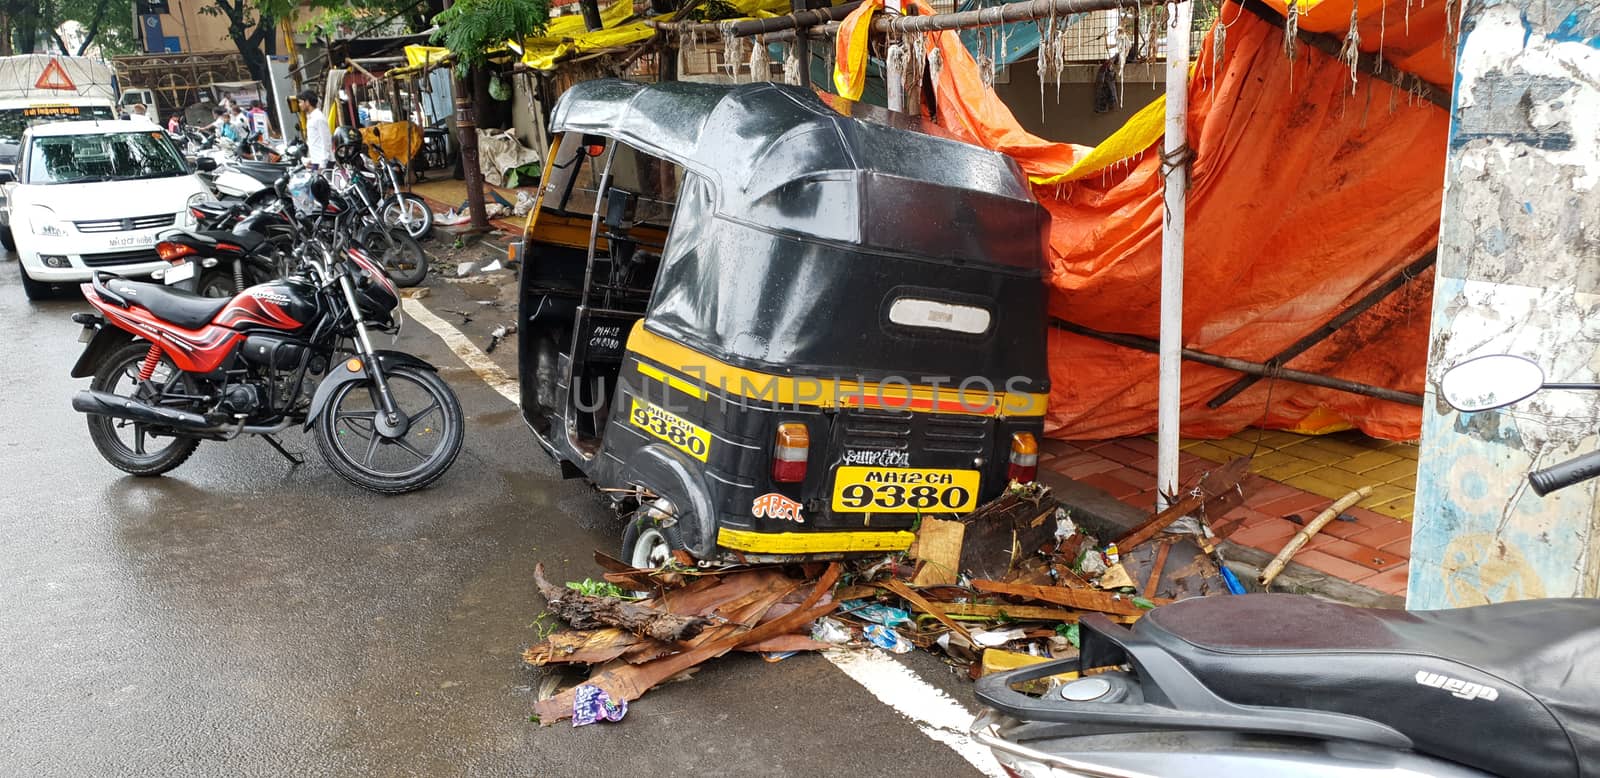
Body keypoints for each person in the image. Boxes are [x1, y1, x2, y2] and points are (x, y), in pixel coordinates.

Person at [300, 90, 333, 168]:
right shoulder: (311, 118)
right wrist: (312, 160)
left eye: (301, 102)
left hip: (324, 163)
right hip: (317, 161)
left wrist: (323, 164)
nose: (299, 105)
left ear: (307, 102)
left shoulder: (318, 118)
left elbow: (326, 141)